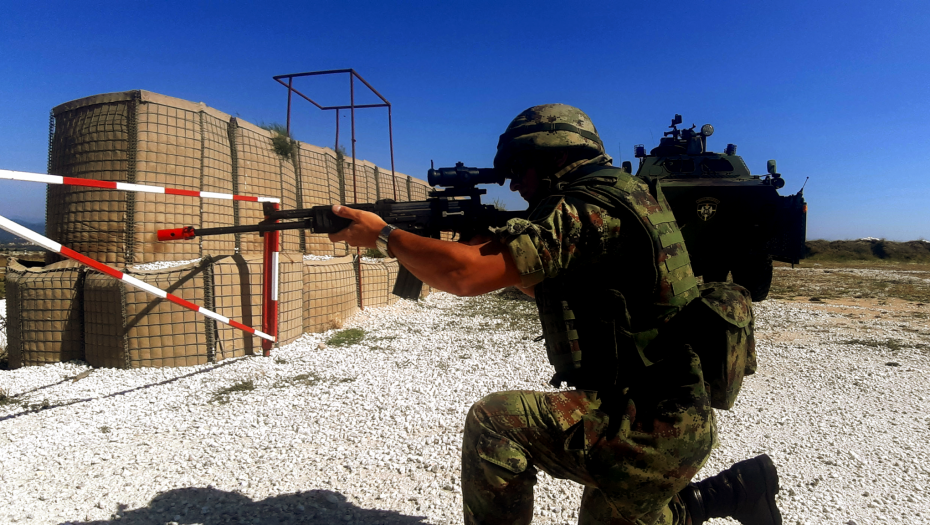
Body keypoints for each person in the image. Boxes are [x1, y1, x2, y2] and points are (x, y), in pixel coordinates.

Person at [329, 104, 782, 525]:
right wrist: (480, 247)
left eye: (518, 169)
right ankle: (737, 491)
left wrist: (384, 235)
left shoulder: (586, 207)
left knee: (494, 419)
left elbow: (461, 277)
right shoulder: (626, 192)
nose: (514, 185)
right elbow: (546, 284)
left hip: (646, 424)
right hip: (672, 414)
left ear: (554, 156)